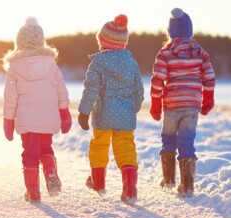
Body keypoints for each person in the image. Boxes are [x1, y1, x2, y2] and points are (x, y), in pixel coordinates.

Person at [2, 17, 72, 202]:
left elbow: (10, 97)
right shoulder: (51, 64)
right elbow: (61, 91)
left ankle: (33, 190)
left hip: (27, 121)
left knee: (30, 154)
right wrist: (64, 113)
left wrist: (8, 120)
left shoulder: (14, 67)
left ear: (19, 42)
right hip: (48, 119)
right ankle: (50, 172)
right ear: (41, 41)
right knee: (46, 148)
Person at [77, 14, 144, 205]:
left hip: (103, 116)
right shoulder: (131, 63)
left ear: (103, 42)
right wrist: (133, 108)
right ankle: (129, 188)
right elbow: (138, 90)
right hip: (126, 116)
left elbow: (91, 89)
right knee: (126, 148)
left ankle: (98, 182)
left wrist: (84, 111)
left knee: (99, 145)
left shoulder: (97, 64)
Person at [150, 8, 215, 197]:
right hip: (192, 104)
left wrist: (155, 104)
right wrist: (208, 99)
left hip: (171, 105)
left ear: (170, 32)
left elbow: (158, 80)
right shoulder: (200, 53)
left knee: (168, 139)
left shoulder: (165, 53)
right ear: (190, 31)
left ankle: (169, 179)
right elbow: (209, 77)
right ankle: (187, 186)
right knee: (187, 142)